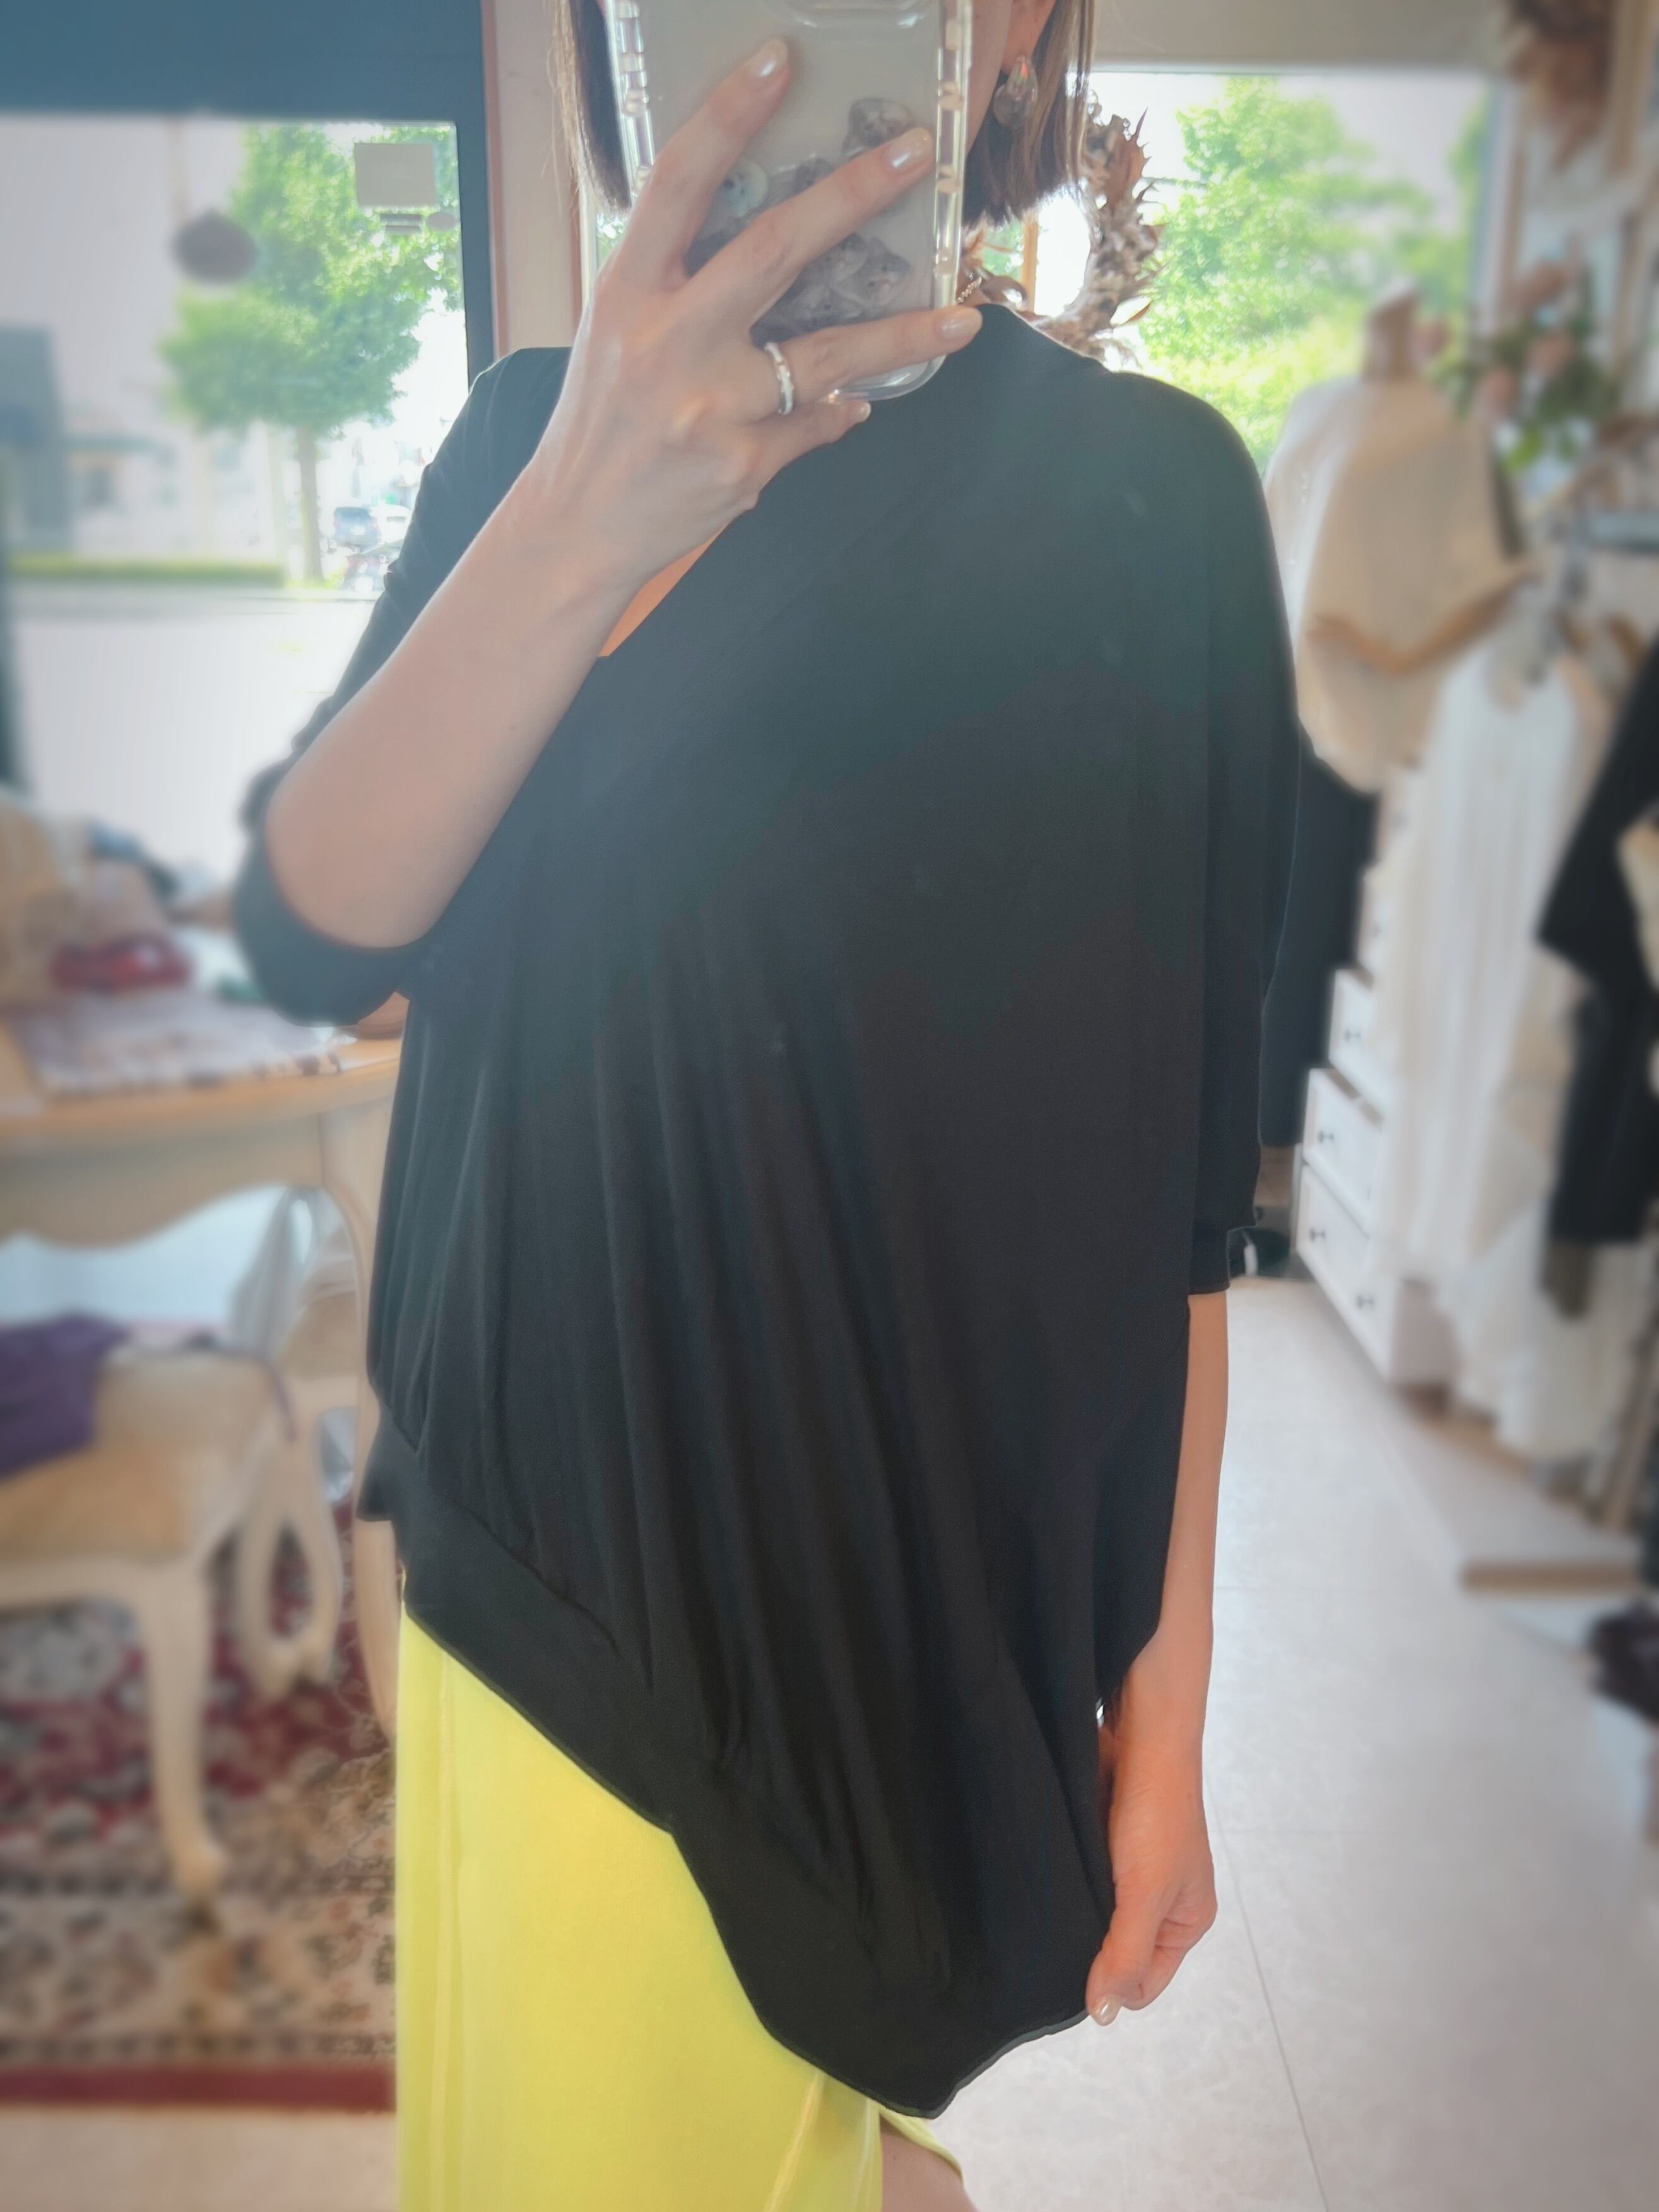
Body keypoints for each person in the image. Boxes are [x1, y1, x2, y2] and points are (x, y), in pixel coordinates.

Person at [233, 3, 1297, 2204]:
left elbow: (1187, 1206)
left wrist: (1172, 1700)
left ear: (1018, 26)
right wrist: (580, 520)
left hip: (915, 1608)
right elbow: (323, 939)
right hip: (555, 1588)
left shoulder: (1162, 508)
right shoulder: (528, 446)